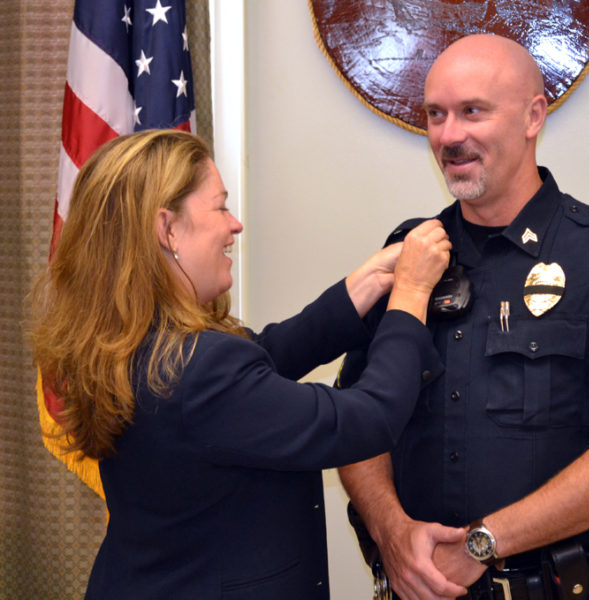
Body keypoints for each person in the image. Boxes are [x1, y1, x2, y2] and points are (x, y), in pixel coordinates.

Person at [337, 34, 589, 600]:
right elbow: (355, 422)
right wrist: (391, 532)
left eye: (472, 112)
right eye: (436, 115)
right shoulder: (408, 256)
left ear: (534, 116)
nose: (449, 136)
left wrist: (482, 544)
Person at [29, 129, 453, 600]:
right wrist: (411, 295)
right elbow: (367, 418)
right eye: (219, 207)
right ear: (167, 228)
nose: (235, 225)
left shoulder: (126, 342)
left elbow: (262, 355)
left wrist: (364, 285)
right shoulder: (200, 369)